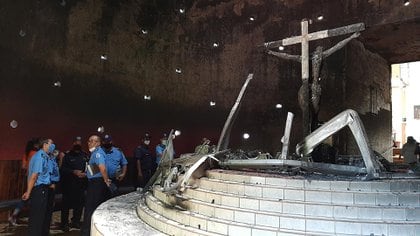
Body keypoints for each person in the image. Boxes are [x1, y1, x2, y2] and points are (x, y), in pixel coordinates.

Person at [22, 138, 53, 236]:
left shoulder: (44, 156)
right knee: (37, 217)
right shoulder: (40, 157)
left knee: (39, 216)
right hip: (39, 190)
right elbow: (34, 176)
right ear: (45, 145)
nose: (52, 146)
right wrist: (28, 192)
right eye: (51, 144)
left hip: (41, 189)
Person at [81, 135, 111, 236]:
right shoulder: (94, 153)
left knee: (90, 208)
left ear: (98, 143)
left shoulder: (98, 153)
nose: (89, 143)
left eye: (92, 141)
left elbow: (102, 168)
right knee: (90, 208)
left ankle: (88, 232)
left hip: (96, 184)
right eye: (89, 141)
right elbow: (95, 169)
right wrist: (87, 174)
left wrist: (106, 180)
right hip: (94, 182)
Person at [9, 138, 40, 226]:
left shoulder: (26, 154)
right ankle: (15, 216)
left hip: (28, 177)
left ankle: (14, 215)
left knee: (26, 196)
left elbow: (23, 166)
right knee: (29, 197)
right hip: (35, 178)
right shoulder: (36, 154)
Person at [60, 136, 88, 232]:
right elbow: (63, 169)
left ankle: (75, 221)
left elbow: (90, 168)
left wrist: (86, 174)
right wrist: (73, 172)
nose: (77, 144)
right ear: (73, 144)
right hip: (69, 185)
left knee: (79, 205)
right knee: (65, 206)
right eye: (76, 143)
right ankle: (64, 223)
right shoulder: (67, 155)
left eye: (79, 143)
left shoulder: (85, 155)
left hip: (81, 185)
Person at [44, 143, 60, 236]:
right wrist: (51, 183)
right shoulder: (47, 158)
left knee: (50, 207)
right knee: (47, 208)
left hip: (53, 185)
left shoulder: (52, 158)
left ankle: (47, 227)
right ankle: (45, 228)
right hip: (49, 186)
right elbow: (48, 172)